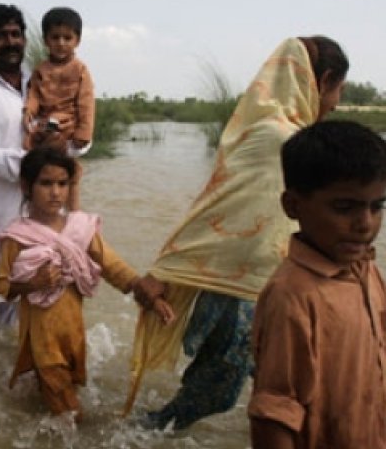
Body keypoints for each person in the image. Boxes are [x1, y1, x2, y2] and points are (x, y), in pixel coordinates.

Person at [128, 36, 349, 429]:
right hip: (241, 290)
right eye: (338, 91)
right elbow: (223, 211)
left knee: (286, 383)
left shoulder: (270, 130)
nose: (336, 104)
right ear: (324, 80)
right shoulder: (281, 139)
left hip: (267, 285)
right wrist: (161, 272)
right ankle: (144, 432)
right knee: (218, 388)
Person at [248, 120, 386, 448]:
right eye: (344, 207)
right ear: (293, 205)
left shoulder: (365, 270)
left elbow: (382, 360)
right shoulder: (292, 297)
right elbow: (274, 414)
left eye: (377, 206)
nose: (365, 224)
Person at [0, 147, 172, 423]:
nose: (55, 192)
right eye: (46, 183)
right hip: (41, 335)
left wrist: (150, 297)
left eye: (62, 184)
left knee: (64, 388)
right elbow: (4, 286)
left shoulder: (80, 229)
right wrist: (31, 283)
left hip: (72, 330)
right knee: (69, 412)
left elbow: (113, 267)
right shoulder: (17, 237)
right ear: (26, 187)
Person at [0, 4, 92, 326]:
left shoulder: (47, 76)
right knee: (7, 295)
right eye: (0, 36)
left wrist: (68, 145)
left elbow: (80, 133)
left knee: (55, 287)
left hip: (50, 209)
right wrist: (35, 165)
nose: (11, 42)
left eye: (16, 34)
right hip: (2, 212)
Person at [23, 7, 94, 211]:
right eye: (55, 37)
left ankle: (74, 215)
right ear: (46, 40)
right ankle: (38, 211)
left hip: (68, 123)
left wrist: (84, 133)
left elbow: (86, 102)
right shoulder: (41, 69)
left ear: (77, 41)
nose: (61, 43)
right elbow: (34, 94)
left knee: (69, 171)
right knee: (33, 152)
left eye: (67, 37)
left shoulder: (80, 69)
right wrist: (29, 109)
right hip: (46, 122)